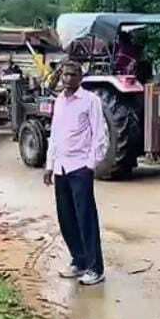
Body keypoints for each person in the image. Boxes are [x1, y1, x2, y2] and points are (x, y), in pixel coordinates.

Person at [43, 60, 109, 286]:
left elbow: (99, 135)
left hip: (80, 167)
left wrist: (90, 164)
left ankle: (95, 268)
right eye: (65, 75)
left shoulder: (90, 101)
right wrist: (49, 165)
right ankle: (79, 260)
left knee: (85, 218)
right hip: (61, 167)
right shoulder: (59, 101)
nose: (68, 79)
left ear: (81, 78)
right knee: (66, 217)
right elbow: (55, 134)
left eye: (73, 75)